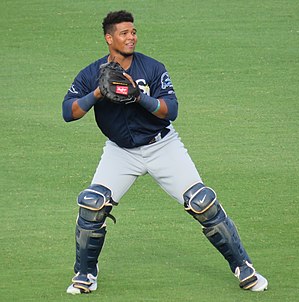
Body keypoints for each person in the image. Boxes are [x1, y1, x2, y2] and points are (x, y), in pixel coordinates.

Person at [62, 10, 268, 295]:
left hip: (162, 146)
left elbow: (170, 111)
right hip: (121, 152)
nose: (131, 37)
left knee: (202, 202)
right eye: (124, 33)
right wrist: (97, 93)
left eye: (133, 32)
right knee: (92, 204)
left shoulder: (152, 68)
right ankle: (85, 274)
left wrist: (139, 96)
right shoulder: (91, 73)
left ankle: (243, 266)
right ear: (109, 38)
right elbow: (68, 113)